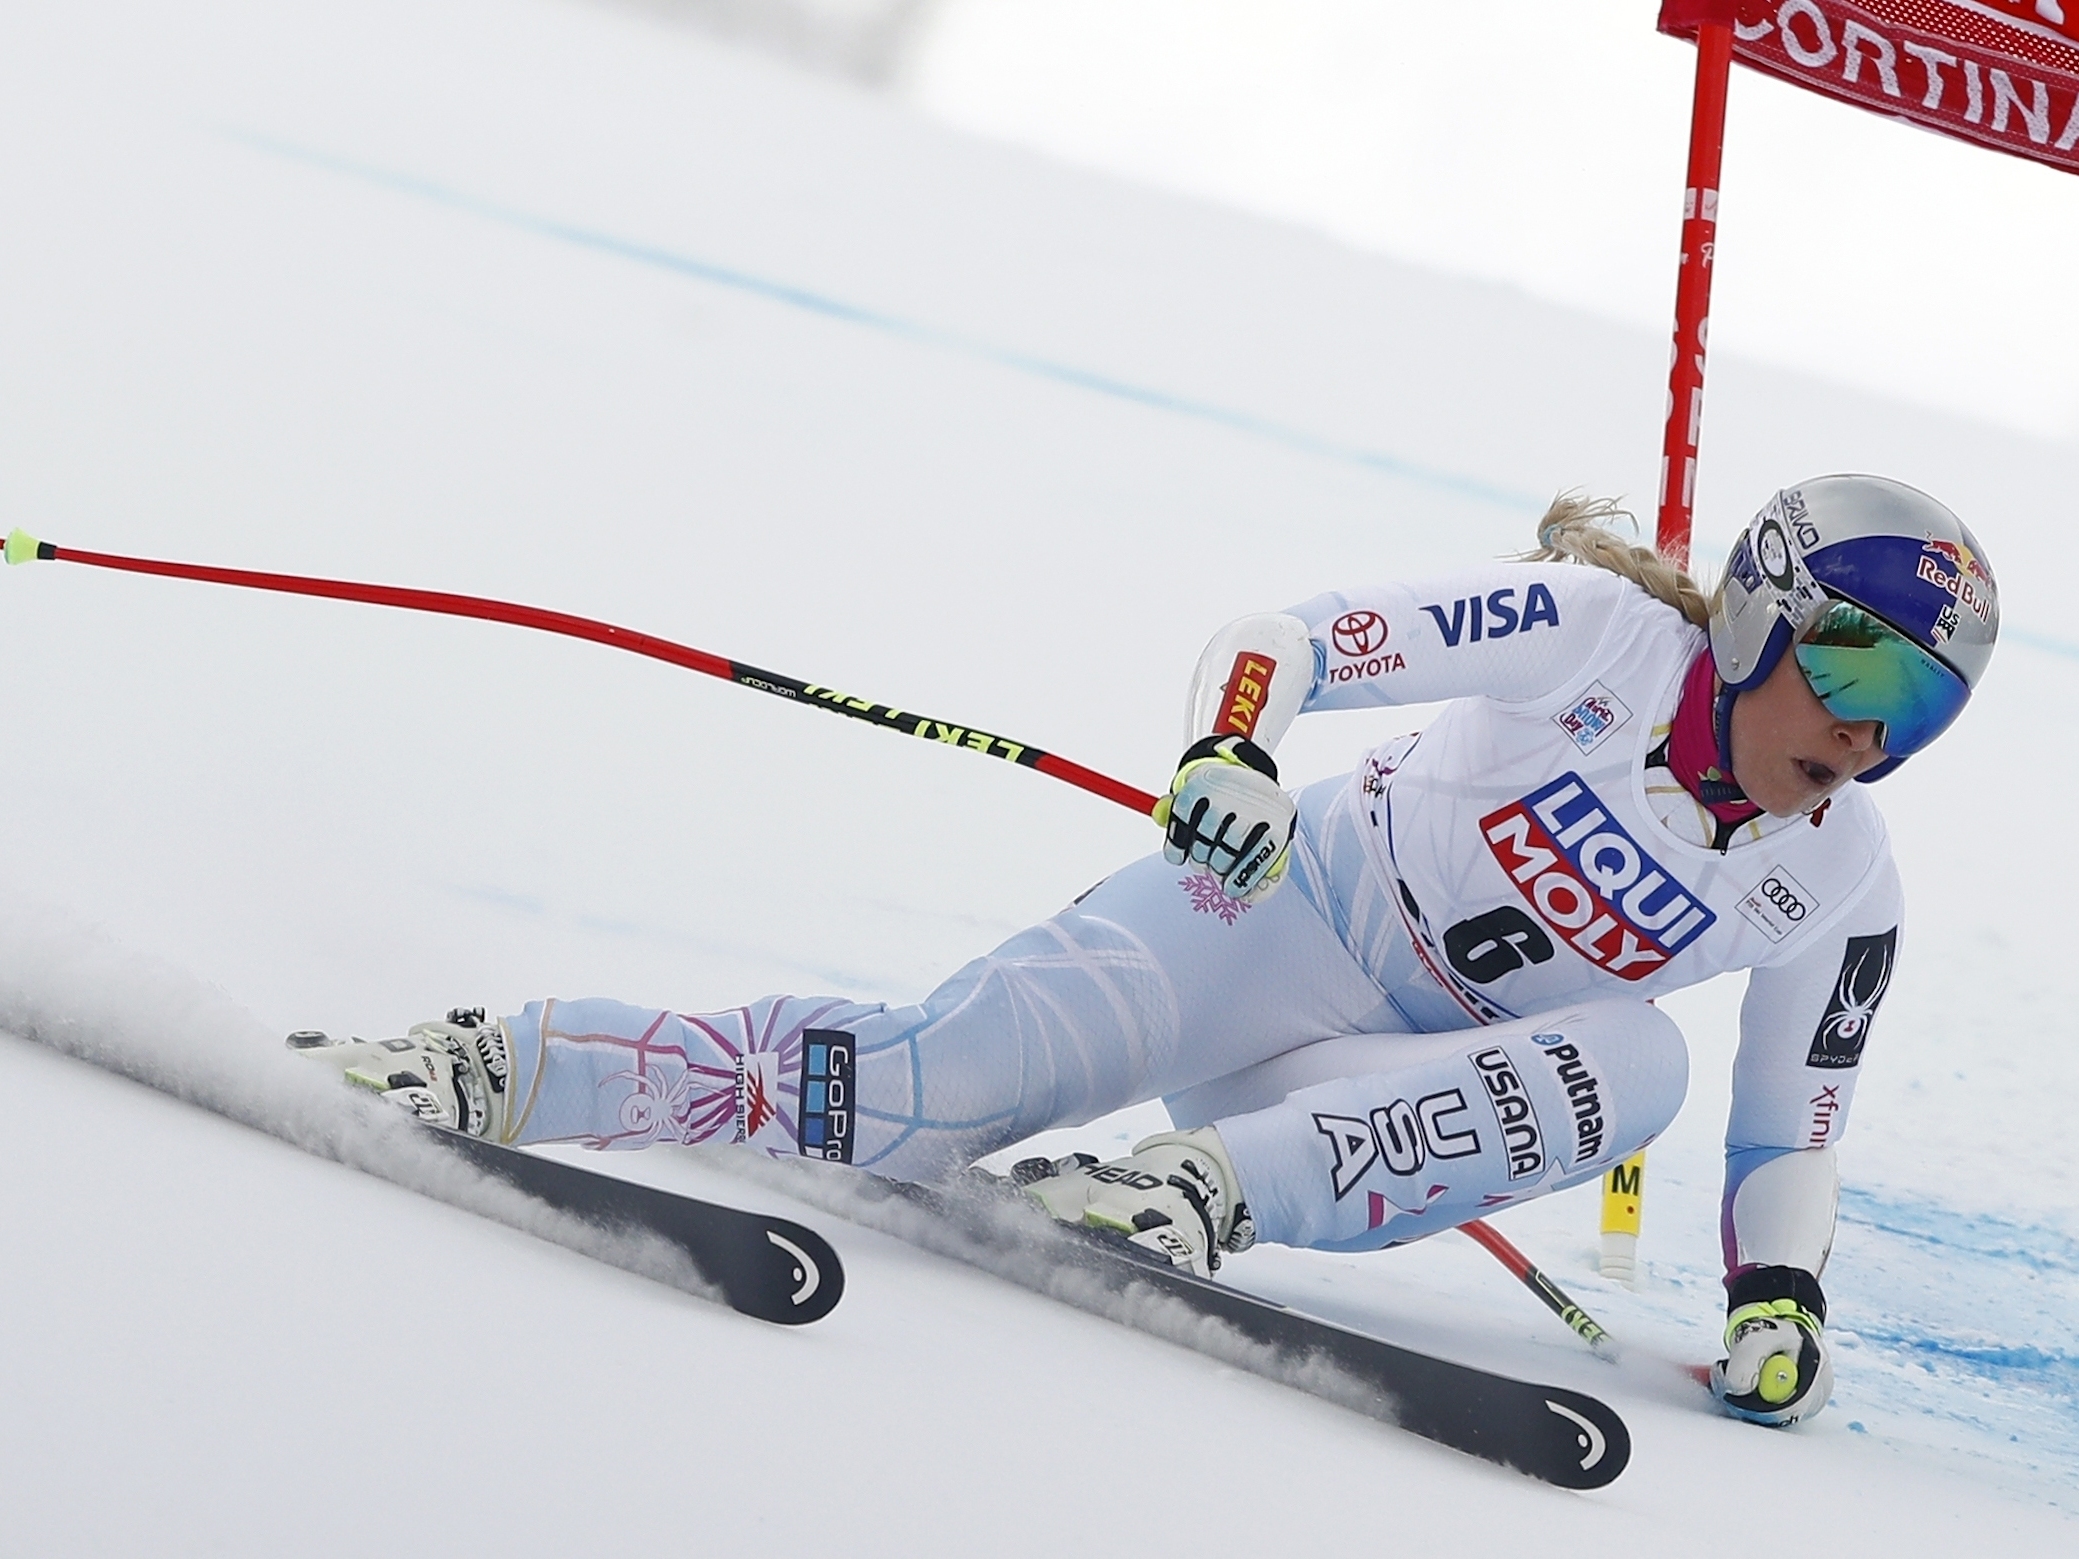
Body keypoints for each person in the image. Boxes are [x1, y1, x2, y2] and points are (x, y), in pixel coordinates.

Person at [299, 474, 1997, 1428]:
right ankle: (505, 1065)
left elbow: (1791, 1129)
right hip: (1263, 921)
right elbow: (1289, 640)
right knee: (911, 1097)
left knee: (1644, 1061)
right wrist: (1232, 753)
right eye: (1858, 672)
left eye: (1919, 711)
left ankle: (1190, 1193)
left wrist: (1780, 1298)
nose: (1868, 738)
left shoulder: (1843, 881)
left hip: (1356, 1094)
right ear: (1762, 613)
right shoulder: (1601, 637)